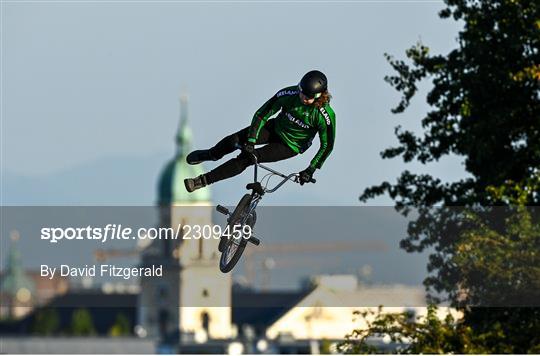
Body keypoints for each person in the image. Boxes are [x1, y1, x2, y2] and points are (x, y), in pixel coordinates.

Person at [184, 70, 336, 192]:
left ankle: (201, 181)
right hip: (274, 129)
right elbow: (262, 114)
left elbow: (327, 146)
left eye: (308, 97)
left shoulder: (325, 116)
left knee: (248, 158)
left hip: (289, 146)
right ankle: (212, 154)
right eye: (302, 93)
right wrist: (251, 140)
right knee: (234, 140)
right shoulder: (289, 94)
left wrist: (311, 169)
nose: (303, 98)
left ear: (319, 96)